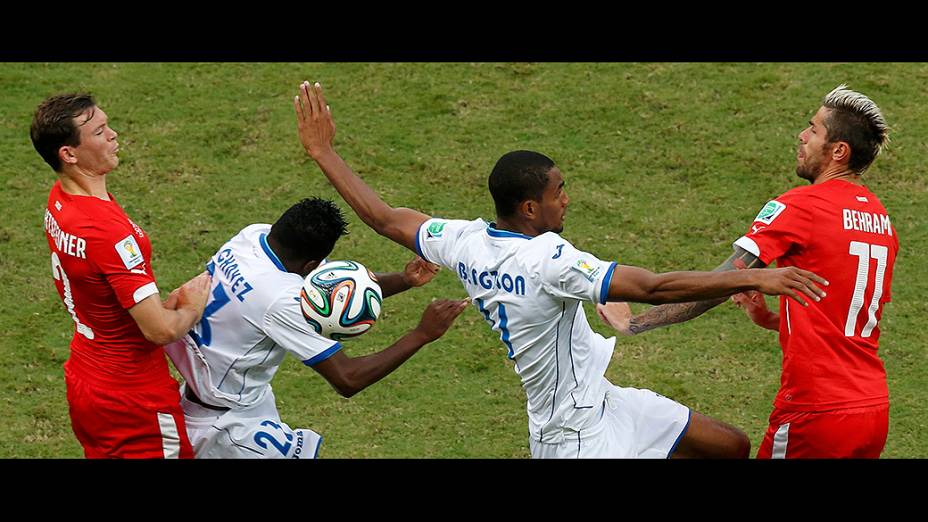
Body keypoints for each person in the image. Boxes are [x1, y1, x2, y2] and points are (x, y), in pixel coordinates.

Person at [292, 81, 829, 459]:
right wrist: (755, 275)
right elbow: (653, 288)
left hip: (603, 401)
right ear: (530, 209)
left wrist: (323, 151)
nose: (567, 200)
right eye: (558, 191)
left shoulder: (464, 242)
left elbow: (382, 218)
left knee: (730, 447)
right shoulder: (549, 262)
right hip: (571, 437)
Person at [597, 84, 896, 459]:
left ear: (839, 151)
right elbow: (844, 315)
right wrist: (772, 319)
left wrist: (638, 322)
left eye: (814, 129)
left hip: (816, 412)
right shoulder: (879, 218)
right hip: (871, 409)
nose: (801, 136)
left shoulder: (801, 206)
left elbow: (722, 282)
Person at [165, 197, 469, 458]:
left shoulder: (252, 236)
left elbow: (329, 294)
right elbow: (347, 378)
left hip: (213, 396)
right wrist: (422, 334)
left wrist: (404, 280)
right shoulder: (280, 301)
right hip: (227, 426)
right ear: (311, 265)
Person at [31, 93, 211, 458]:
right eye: (99, 131)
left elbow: (100, 284)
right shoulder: (107, 231)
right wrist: (192, 307)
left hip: (86, 377)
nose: (113, 134)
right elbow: (159, 330)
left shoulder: (59, 202)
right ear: (69, 154)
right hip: (133, 396)